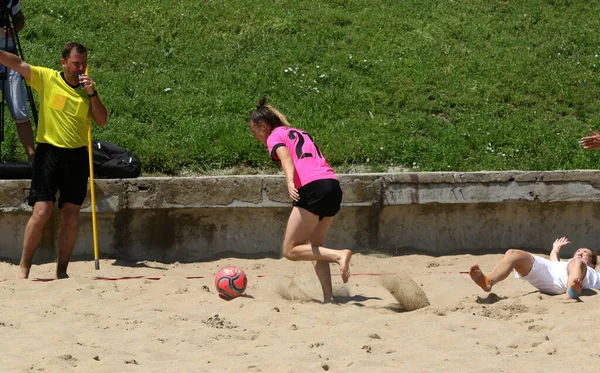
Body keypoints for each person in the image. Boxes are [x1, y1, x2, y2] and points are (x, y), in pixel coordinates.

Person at [0, 42, 108, 279]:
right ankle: (24, 267)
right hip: (49, 153)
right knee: (42, 211)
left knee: (70, 215)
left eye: (84, 63)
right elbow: (18, 64)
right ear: (63, 62)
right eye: (76, 63)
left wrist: (92, 94)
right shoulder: (47, 79)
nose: (81, 68)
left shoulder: (88, 89)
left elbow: (101, 120)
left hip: (77, 156)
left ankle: (62, 271)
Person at [248, 97, 352, 303]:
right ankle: (329, 298)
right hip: (332, 185)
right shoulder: (298, 132)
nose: (255, 137)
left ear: (264, 126)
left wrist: (289, 181)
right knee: (314, 248)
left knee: (291, 250)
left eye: (255, 131)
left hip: (312, 187)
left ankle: (340, 255)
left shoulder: (274, 136)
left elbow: (286, 157)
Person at [469, 237, 600, 299]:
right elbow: (553, 263)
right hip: (551, 277)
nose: (580, 253)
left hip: (572, 281)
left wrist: (578, 261)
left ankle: (571, 293)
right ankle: (488, 281)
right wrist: (556, 248)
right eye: (578, 251)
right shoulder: (566, 264)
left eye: (585, 253)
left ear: (592, 264)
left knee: (577, 263)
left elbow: (578, 263)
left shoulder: (592, 272)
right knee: (513, 254)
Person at [0, 0, 35, 163]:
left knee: (20, 109)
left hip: (10, 57)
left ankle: (32, 157)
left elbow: (20, 18)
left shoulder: (10, 0)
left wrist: (12, 31)